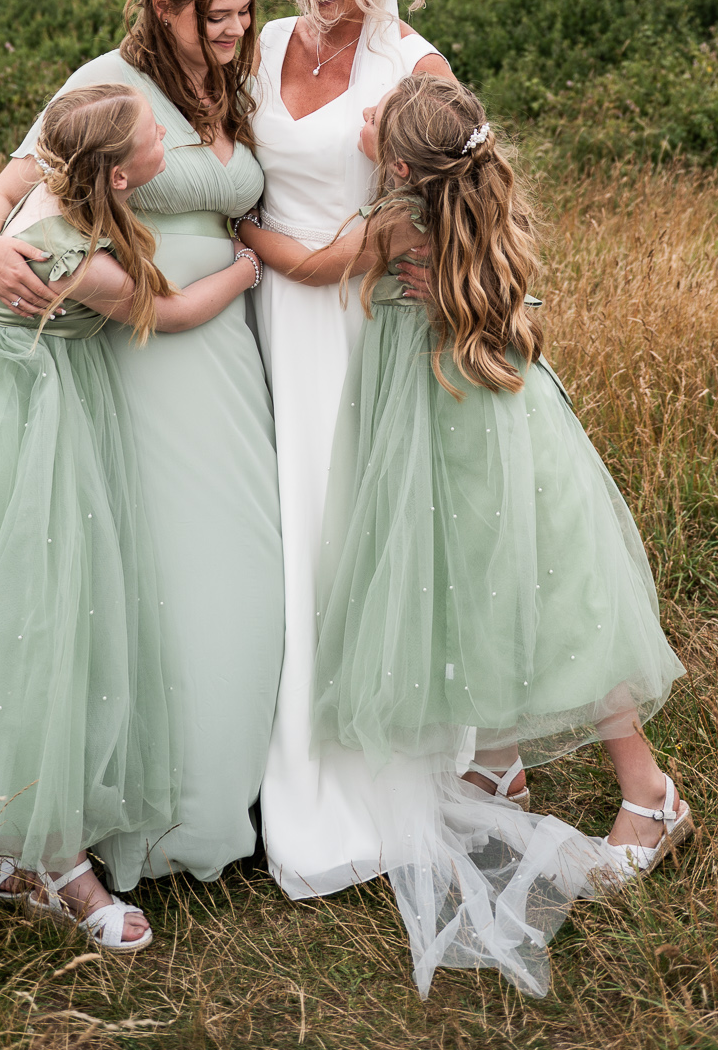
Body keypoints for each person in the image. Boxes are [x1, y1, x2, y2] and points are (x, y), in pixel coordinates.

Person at [247, 71, 691, 995]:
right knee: (493, 586)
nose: (366, 116)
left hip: (440, 428)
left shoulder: (393, 224)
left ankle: (650, 796)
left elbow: (311, 266)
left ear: (402, 167)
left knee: (510, 593)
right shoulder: (491, 208)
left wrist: (241, 229)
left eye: (381, 120)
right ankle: (494, 765)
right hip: (501, 424)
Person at [0, 84, 267, 953]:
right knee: (38, 615)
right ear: (120, 174)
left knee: (5, 614)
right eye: (154, 138)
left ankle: (17, 840)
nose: (167, 142)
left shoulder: (55, 183)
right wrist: (243, 271)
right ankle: (61, 866)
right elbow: (173, 314)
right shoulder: (78, 258)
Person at [0, 0, 285, 885]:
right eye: (213, 15)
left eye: (242, 13)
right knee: (166, 572)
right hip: (140, 356)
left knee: (248, 563)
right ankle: (141, 813)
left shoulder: (236, 83)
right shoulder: (106, 83)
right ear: (163, 7)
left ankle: (230, 799)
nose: (231, 30)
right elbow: (4, 194)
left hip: (226, 350)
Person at [235, 0, 451, 901]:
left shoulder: (414, 66)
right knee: (260, 524)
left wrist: (267, 245)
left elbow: (424, 209)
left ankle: (338, 762)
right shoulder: (264, 42)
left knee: (329, 525)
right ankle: (244, 755)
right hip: (252, 316)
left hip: (349, 323)